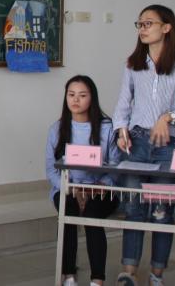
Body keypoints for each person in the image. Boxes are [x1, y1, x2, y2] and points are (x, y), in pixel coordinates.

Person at [112, 4, 175, 286]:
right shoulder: (133, 63)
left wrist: (168, 117)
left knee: (161, 211)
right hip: (137, 142)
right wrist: (120, 130)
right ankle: (129, 273)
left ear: (166, 27)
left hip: (170, 145)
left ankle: (157, 274)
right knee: (133, 208)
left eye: (148, 23)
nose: (142, 29)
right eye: (139, 24)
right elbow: (123, 102)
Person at [45, 75, 120, 286]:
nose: (75, 100)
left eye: (82, 95)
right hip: (68, 188)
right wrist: (70, 189)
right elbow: (51, 169)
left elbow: (116, 166)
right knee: (67, 210)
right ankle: (69, 275)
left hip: (100, 189)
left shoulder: (107, 128)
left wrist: (99, 187)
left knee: (91, 214)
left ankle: (97, 279)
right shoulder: (57, 129)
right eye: (71, 95)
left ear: (92, 98)